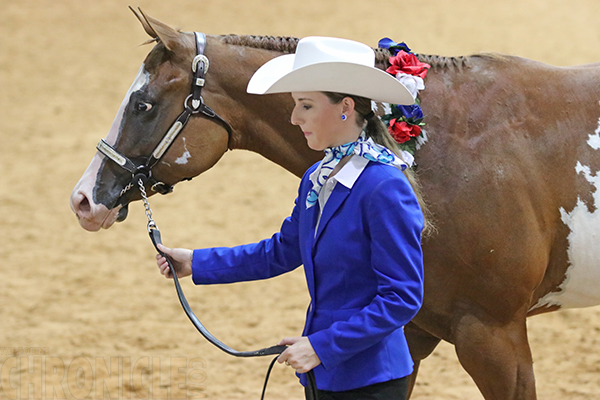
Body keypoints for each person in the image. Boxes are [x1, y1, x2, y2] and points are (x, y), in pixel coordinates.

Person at [156, 36, 425, 400]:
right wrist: (197, 262)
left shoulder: (383, 186)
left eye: (306, 105)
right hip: (323, 374)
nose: (295, 118)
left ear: (345, 107)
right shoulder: (318, 177)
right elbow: (282, 251)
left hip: (369, 379)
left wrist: (322, 346)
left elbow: (402, 297)